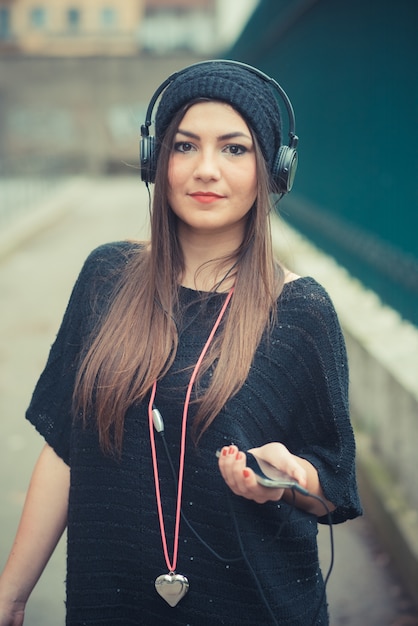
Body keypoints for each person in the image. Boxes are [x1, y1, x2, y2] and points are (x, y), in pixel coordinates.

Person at [0, 60, 362, 626]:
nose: (207, 170)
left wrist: (287, 480)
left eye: (235, 149)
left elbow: (334, 490)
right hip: (110, 603)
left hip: (254, 608)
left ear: (274, 170)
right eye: (186, 146)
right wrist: (12, 594)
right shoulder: (106, 278)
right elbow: (65, 447)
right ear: (156, 160)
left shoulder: (301, 312)